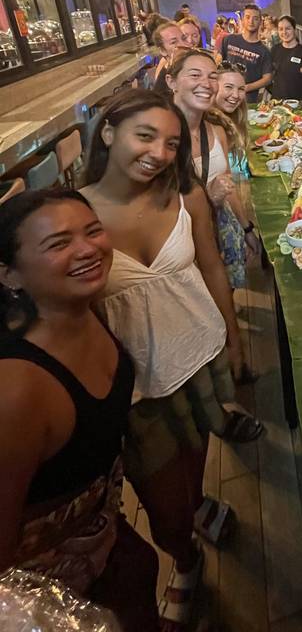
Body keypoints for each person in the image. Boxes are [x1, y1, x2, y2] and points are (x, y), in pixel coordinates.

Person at [81, 89, 262, 631]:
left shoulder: (187, 198)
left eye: (171, 142)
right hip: (135, 384)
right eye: (145, 136)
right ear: (109, 132)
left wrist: (232, 338)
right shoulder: (75, 215)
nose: (159, 152)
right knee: (161, 503)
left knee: (196, 453)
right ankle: (184, 558)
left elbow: (211, 267)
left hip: (198, 354)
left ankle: (201, 506)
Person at [0, 189, 159, 631]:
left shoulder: (86, 310)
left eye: (93, 231)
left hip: (105, 536)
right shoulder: (17, 387)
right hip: (53, 598)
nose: (88, 249)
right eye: (58, 243)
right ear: (10, 274)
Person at [166, 50, 260, 288]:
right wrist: (208, 198)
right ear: (171, 81)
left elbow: (227, 186)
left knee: (224, 294)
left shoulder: (216, 131)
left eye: (212, 77)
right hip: (180, 250)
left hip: (218, 232)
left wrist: (246, 227)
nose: (206, 84)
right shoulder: (160, 137)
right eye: (195, 75)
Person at [220, 3, 272, 102]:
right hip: (225, 97)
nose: (251, 21)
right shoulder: (229, 39)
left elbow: (267, 78)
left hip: (247, 101)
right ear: (243, 20)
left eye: (255, 18)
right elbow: (218, 63)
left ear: (260, 22)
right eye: (248, 17)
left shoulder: (264, 51)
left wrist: (245, 88)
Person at [210, 61, 250, 179]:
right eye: (228, 87)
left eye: (241, 89)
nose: (236, 95)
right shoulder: (205, 127)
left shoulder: (237, 119)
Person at [270, 15, 302, 100]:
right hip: (277, 102)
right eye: (281, 29)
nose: (284, 32)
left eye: (288, 28)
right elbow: (269, 75)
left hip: (297, 103)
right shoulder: (274, 50)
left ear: (294, 30)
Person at [152, 21, 182, 94]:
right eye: (174, 42)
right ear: (162, 51)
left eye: (183, 38)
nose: (183, 44)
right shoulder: (163, 88)